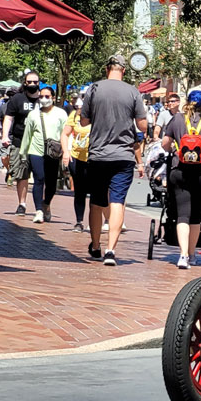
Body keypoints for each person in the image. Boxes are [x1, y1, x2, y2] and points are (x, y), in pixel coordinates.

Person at [80, 54, 148, 266]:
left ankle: (96, 245)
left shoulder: (94, 89)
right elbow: (143, 125)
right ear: (124, 71)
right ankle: (111, 250)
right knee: (117, 201)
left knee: (97, 202)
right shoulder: (133, 92)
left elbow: (83, 121)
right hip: (123, 155)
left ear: (106, 68)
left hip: (98, 154)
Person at [162, 90, 201, 269]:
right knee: (196, 216)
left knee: (182, 214)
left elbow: (165, 144)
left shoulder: (177, 119)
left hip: (179, 171)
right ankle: (192, 254)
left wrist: (175, 147)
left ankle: (182, 256)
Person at [20, 86, 68, 224]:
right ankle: (38, 210)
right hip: (36, 151)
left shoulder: (61, 114)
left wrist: (66, 151)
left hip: (53, 153)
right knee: (39, 178)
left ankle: (46, 203)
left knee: (52, 184)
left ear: (53, 98)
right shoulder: (33, 115)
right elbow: (27, 135)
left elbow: (65, 134)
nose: (44, 99)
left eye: (47, 96)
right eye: (41, 96)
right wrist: (23, 153)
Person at [2, 72, 42, 214]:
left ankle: (41, 206)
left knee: (40, 176)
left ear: (39, 82)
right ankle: (22, 204)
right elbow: (8, 118)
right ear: (25, 83)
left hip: (39, 144)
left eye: (35, 82)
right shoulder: (17, 99)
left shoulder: (44, 99)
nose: (32, 84)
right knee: (22, 174)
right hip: (20, 142)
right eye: (29, 82)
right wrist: (5, 136)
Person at [62, 98, 91, 232]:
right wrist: (66, 152)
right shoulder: (74, 115)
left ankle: (95, 221)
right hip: (77, 157)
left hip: (94, 158)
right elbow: (65, 134)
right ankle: (79, 221)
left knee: (96, 192)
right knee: (79, 191)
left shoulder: (98, 116)